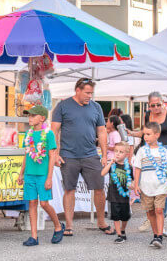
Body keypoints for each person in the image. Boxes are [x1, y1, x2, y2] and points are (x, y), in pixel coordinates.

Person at [51, 78, 108, 237]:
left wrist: (104, 155)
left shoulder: (96, 107)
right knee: (69, 190)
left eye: (91, 93)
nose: (90, 96)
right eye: (87, 92)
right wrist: (55, 153)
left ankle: (102, 222)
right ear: (77, 90)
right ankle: (69, 225)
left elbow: (102, 132)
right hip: (68, 156)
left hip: (91, 155)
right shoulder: (63, 106)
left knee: (99, 189)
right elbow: (53, 131)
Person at [16, 106, 64, 246]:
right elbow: (26, 154)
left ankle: (58, 226)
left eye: (33, 116)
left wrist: (49, 177)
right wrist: (21, 173)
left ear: (42, 118)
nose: (30, 118)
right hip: (29, 174)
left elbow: (52, 155)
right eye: (29, 116)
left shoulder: (48, 134)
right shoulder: (28, 134)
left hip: (43, 174)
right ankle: (34, 236)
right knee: (31, 203)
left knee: (44, 203)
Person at [131, 122, 167, 249]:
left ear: (157, 135)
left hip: (160, 186)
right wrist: (136, 184)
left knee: (159, 210)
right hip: (146, 186)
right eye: (144, 134)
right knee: (150, 212)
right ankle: (155, 234)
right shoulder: (142, 151)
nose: (145, 137)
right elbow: (137, 168)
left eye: (148, 134)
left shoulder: (163, 150)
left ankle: (159, 235)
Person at [101, 142, 133, 244]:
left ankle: (123, 230)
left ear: (126, 154)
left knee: (125, 216)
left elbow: (133, 181)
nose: (118, 154)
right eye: (116, 151)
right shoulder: (112, 165)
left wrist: (132, 187)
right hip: (113, 196)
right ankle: (119, 235)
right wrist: (110, 163)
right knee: (115, 216)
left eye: (121, 152)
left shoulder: (129, 167)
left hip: (124, 196)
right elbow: (102, 173)